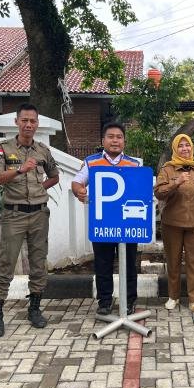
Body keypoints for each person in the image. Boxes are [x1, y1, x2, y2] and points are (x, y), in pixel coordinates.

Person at [0, 103, 59, 337]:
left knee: (38, 263)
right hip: (14, 215)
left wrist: (40, 188)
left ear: (37, 124)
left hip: (39, 214)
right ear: (16, 122)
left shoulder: (43, 150)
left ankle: (35, 309)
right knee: (6, 264)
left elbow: (54, 176)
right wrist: (19, 170)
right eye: (24, 120)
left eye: (33, 121)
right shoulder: (3, 148)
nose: (29, 124)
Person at [71, 122, 141, 316]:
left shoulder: (134, 164)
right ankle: (105, 302)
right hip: (102, 222)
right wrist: (79, 190)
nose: (115, 140)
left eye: (119, 137)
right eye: (111, 137)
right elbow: (77, 182)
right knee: (103, 263)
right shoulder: (91, 162)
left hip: (127, 223)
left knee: (129, 264)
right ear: (103, 140)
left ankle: (129, 301)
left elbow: (140, 189)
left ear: (124, 141)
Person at [154, 134, 194, 316]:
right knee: (173, 260)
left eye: (187, 145)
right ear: (175, 148)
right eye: (181, 146)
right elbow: (159, 193)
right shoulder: (167, 169)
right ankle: (173, 296)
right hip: (172, 223)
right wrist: (176, 182)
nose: (185, 148)